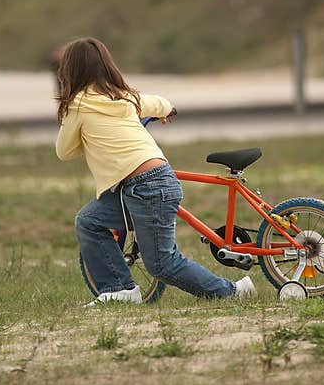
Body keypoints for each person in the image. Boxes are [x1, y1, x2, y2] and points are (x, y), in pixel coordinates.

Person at [54, 36, 256, 305]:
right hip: (148, 181)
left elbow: (64, 151)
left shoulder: (77, 105)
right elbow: (158, 102)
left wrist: (83, 136)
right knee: (89, 221)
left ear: (70, 71)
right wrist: (167, 110)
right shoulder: (125, 98)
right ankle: (119, 290)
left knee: (162, 264)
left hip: (144, 186)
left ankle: (233, 291)